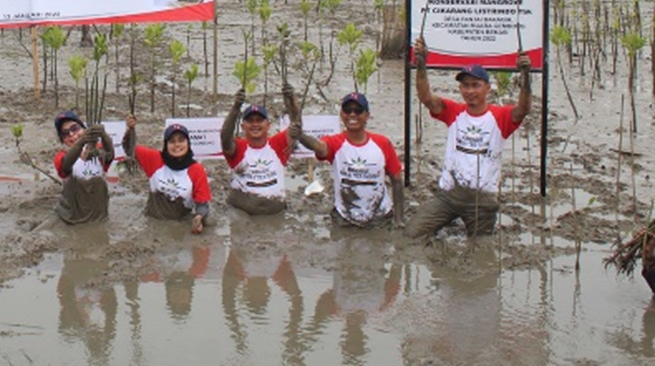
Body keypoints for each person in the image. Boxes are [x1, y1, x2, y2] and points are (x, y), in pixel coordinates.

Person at [406, 38, 533, 238]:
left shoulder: (500, 117)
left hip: (482, 200)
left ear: (487, 88)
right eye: (465, 86)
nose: (470, 91)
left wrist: (526, 75)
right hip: (448, 195)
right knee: (412, 235)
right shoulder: (454, 112)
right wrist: (421, 63)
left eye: (476, 85)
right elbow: (426, 98)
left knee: (481, 250)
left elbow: (524, 109)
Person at [296, 92, 404, 228]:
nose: (352, 114)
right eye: (347, 110)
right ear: (342, 115)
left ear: (367, 116)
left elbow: (397, 180)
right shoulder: (335, 143)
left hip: (380, 217)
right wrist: (300, 136)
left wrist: (399, 220)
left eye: (358, 110)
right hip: (345, 218)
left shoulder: (383, 143)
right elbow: (318, 147)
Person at [123, 115, 211, 233]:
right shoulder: (155, 160)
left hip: (179, 225)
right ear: (166, 145)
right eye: (172, 141)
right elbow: (130, 149)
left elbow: (202, 205)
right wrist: (130, 130)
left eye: (181, 140)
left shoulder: (197, 170)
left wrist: (199, 217)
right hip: (152, 222)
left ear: (188, 143)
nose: (177, 145)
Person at [220, 86, 297, 215]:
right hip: (243, 212)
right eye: (250, 121)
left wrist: (292, 102)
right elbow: (225, 138)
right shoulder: (238, 147)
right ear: (243, 126)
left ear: (268, 125)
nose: (255, 124)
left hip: (275, 212)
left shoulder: (277, 144)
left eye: (259, 120)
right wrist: (235, 108)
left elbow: (296, 125)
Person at [52, 110, 115, 224]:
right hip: (71, 220)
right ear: (62, 140)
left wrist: (103, 135)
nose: (71, 135)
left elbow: (110, 155)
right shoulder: (61, 157)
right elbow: (66, 165)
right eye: (65, 134)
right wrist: (82, 141)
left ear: (83, 128)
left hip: (99, 218)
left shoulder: (98, 151)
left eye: (75, 128)